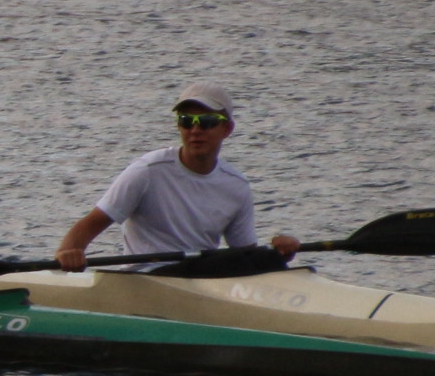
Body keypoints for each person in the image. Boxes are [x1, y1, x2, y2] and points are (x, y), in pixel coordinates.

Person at [55, 80, 303, 271]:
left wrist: (278, 252)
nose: (195, 130)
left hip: (200, 278)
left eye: (206, 121)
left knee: (266, 259)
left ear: (227, 129)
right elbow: (90, 224)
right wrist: (69, 252)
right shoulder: (147, 171)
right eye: (187, 121)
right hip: (147, 277)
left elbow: (247, 256)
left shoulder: (236, 185)